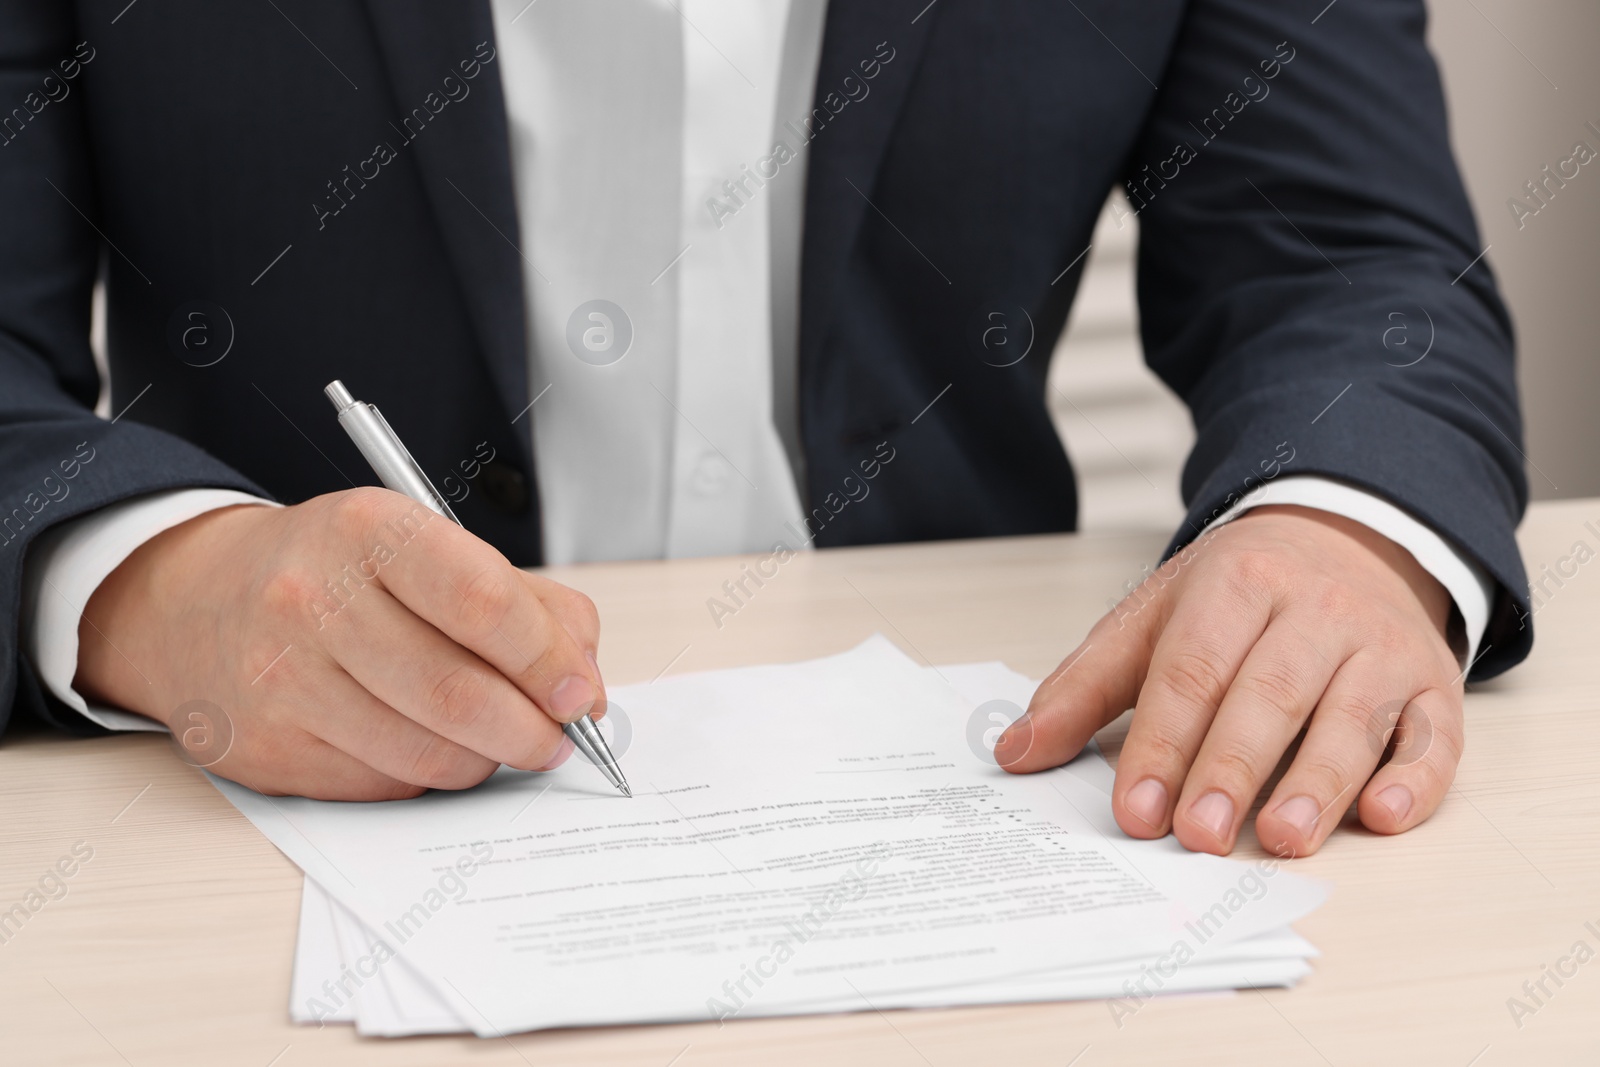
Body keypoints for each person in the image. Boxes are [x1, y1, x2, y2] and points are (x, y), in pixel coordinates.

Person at [0, 0, 1529, 860]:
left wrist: (1344, 521)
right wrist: (156, 589)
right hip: (254, 847)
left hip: (984, 820)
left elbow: (1349, 257)